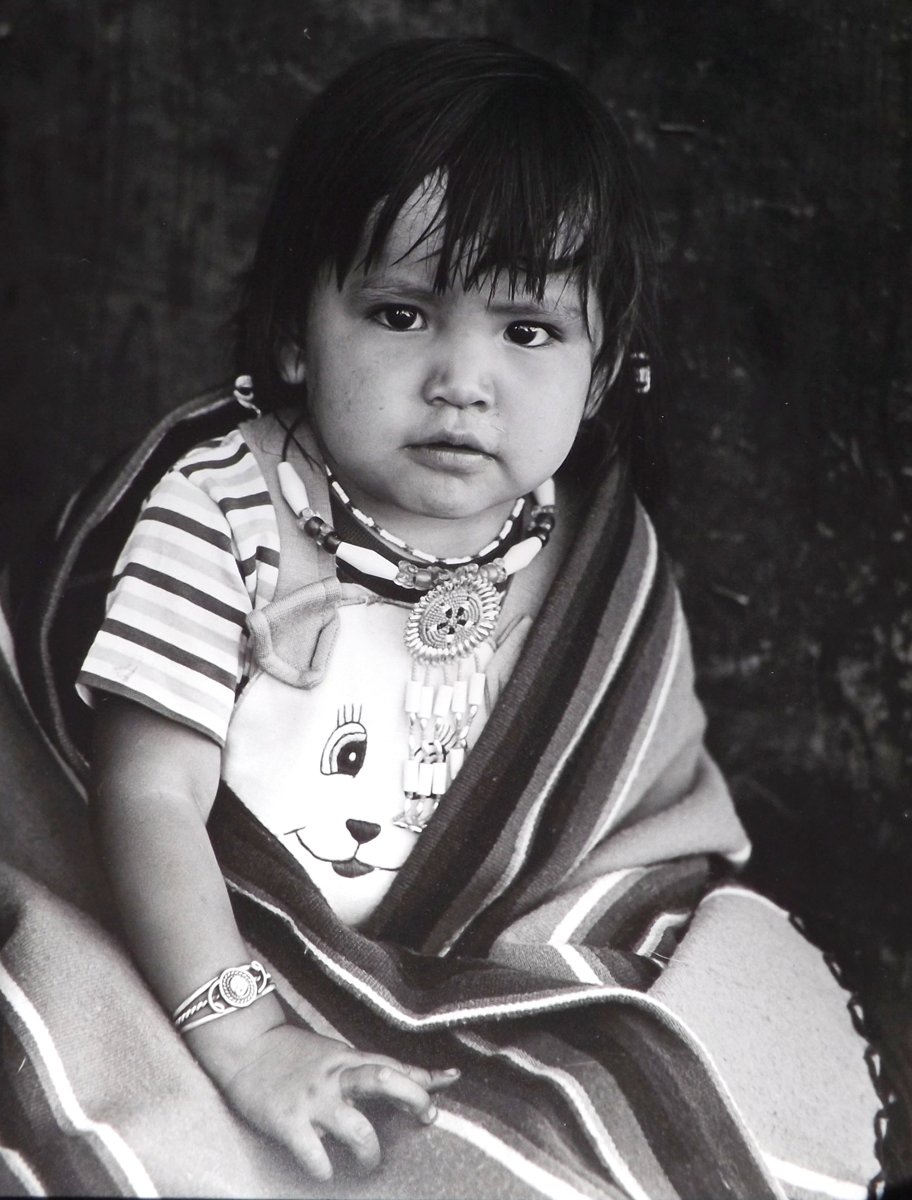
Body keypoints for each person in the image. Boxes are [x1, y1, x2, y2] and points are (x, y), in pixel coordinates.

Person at [78, 37, 880, 1198]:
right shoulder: (223, 514)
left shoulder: (592, 565)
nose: (462, 375)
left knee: (663, 1081)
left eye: (528, 330)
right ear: (298, 332)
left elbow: (619, 834)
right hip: (219, 956)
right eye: (402, 314)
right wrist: (242, 1033)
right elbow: (147, 795)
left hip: (481, 974)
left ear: (600, 374)